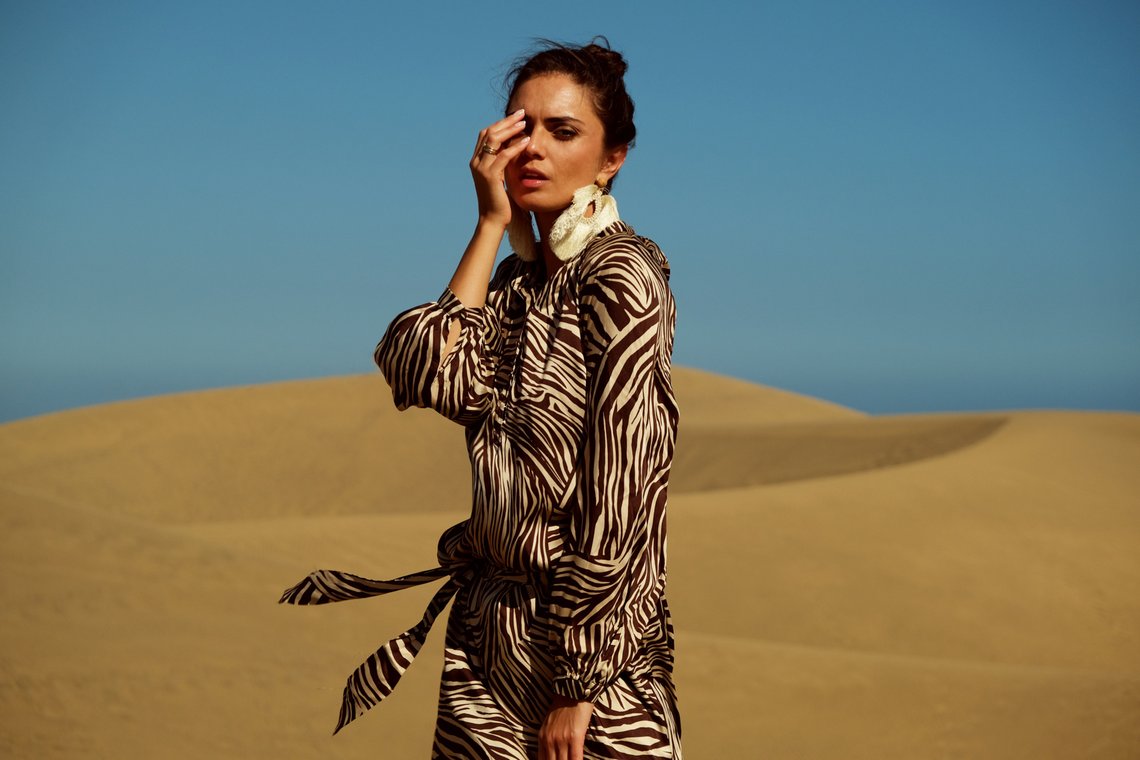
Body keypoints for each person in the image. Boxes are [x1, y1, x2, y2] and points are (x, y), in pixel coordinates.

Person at [282, 38, 681, 760]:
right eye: (521, 128)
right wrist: (493, 225)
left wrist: (578, 683)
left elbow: (625, 484)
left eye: (563, 131)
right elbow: (421, 371)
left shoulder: (622, 273)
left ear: (612, 156)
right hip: (485, 642)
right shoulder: (516, 285)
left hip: (588, 659)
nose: (534, 149)